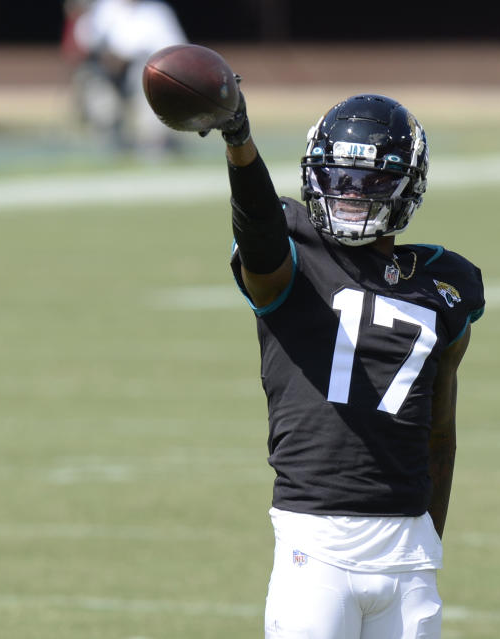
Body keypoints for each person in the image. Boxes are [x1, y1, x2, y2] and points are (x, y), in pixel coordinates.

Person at [196, 86, 484, 639]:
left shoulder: (444, 286)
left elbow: (439, 433)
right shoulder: (293, 258)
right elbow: (256, 230)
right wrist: (239, 141)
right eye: (338, 176)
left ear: (407, 185)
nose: (351, 191)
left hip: (407, 553)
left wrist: (425, 538)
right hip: (316, 545)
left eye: (371, 179)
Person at [62, 0, 186, 153]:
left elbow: (173, 48)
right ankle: (108, 140)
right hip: (106, 69)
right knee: (93, 81)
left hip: (142, 70)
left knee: (151, 75)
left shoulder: (156, 11)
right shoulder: (103, 8)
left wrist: (133, 58)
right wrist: (108, 57)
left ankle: (153, 140)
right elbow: (85, 41)